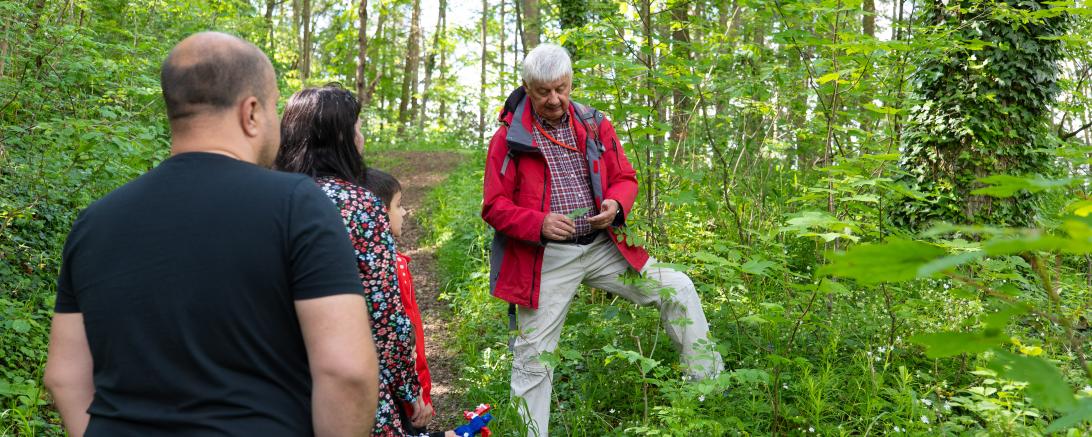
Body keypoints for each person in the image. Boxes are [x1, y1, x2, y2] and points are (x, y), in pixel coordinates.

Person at [43, 32, 379, 437]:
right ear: (251, 112)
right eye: (273, 106)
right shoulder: (296, 206)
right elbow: (346, 372)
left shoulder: (94, 222)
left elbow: (64, 376)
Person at [481, 43, 724, 436]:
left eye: (561, 88)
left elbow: (625, 178)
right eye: (543, 91)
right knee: (533, 357)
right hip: (546, 260)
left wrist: (615, 203)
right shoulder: (509, 139)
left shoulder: (594, 124)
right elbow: (494, 206)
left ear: (571, 82)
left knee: (677, 287)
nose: (554, 99)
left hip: (602, 248)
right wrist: (539, 223)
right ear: (527, 87)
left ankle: (708, 391)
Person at [361, 168, 435, 432]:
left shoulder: (384, 262)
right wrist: (418, 394)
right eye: (398, 205)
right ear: (377, 213)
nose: (404, 212)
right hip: (399, 392)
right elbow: (402, 335)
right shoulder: (390, 267)